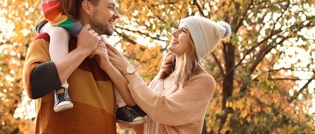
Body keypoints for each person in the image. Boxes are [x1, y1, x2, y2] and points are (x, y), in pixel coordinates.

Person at [23, 0, 145, 133]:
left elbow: (140, 109)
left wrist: (108, 66)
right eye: (110, 7)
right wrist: (82, 51)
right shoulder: (49, 40)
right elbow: (34, 85)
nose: (117, 15)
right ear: (88, 7)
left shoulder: (110, 55)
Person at [99, 16, 231, 133]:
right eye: (178, 28)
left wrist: (128, 69)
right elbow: (139, 108)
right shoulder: (161, 78)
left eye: (183, 31)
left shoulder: (203, 82)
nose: (174, 33)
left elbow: (162, 110)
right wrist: (108, 67)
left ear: (195, 43)